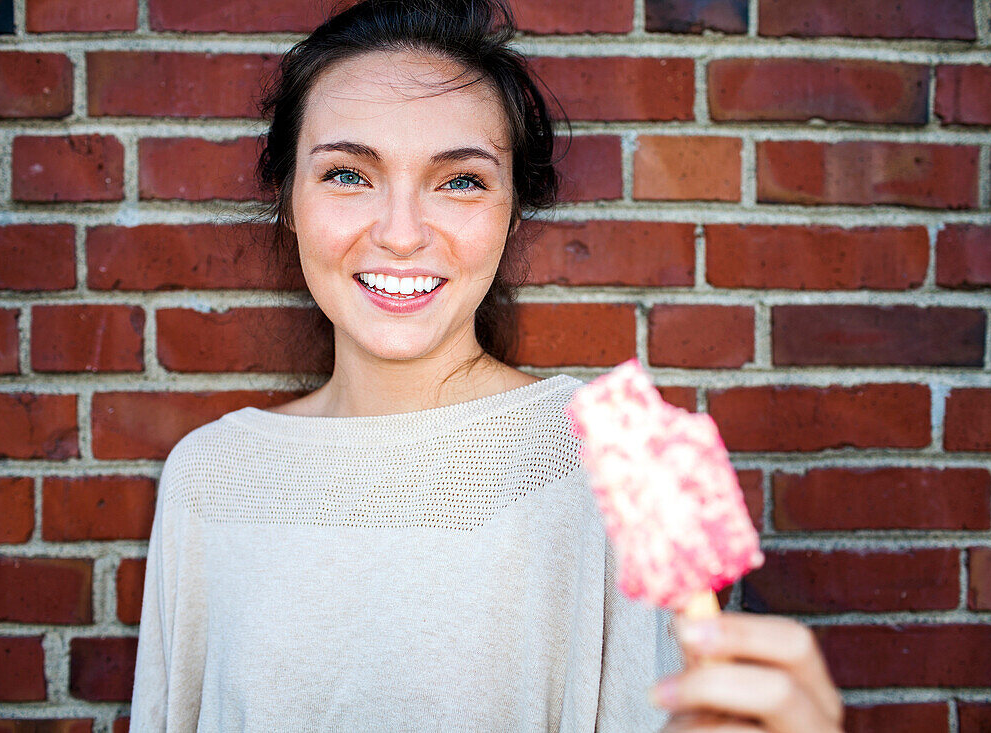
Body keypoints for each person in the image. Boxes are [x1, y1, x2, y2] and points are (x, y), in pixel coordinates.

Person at [129, 1, 843, 730]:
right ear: (287, 199)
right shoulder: (208, 478)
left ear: (513, 212)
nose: (401, 234)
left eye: (461, 180)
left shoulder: (596, 465)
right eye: (348, 175)